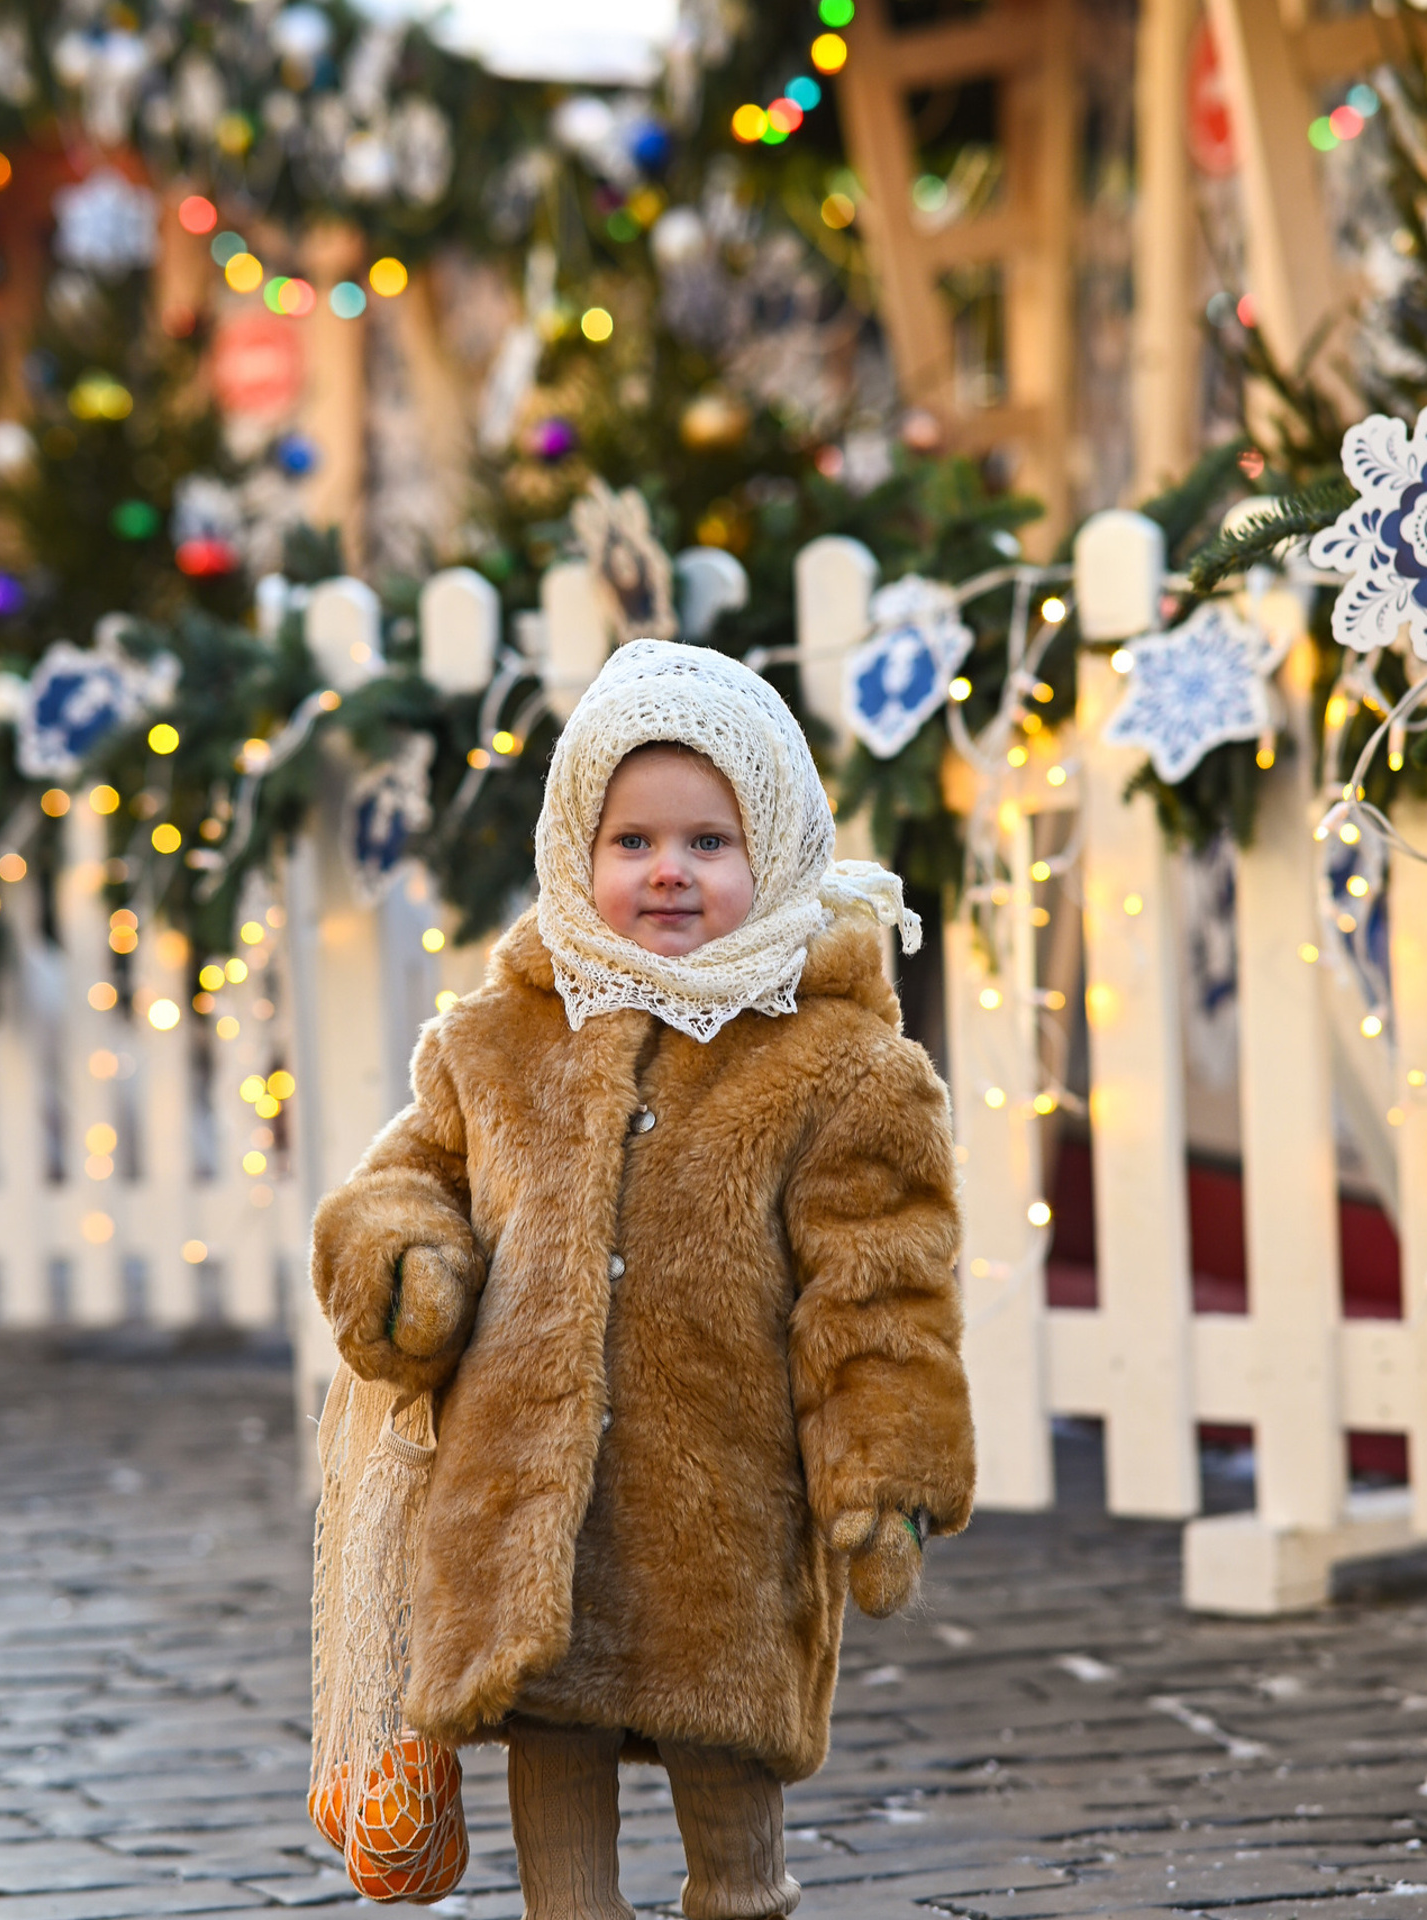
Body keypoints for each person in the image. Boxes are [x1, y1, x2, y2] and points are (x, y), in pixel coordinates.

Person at [311, 639, 973, 1919]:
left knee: (722, 1753)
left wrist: (886, 1477)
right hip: (526, 1507)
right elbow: (409, 1180)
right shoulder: (503, 1035)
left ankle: (743, 1891)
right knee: (552, 1731)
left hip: (720, 1506)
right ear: (577, 847)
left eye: (708, 844)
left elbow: (880, 1288)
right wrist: (405, 1261)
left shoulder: (838, 1065)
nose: (667, 871)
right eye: (632, 843)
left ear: (773, 847)